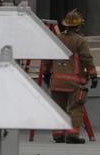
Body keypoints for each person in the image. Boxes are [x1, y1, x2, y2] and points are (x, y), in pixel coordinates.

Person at [41, 9, 97, 144]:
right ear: (79, 26)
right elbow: (87, 59)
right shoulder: (80, 41)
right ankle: (72, 135)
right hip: (74, 82)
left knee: (58, 108)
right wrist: (93, 75)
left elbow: (47, 58)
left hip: (57, 81)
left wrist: (46, 73)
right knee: (76, 107)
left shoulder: (57, 38)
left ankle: (58, 135)